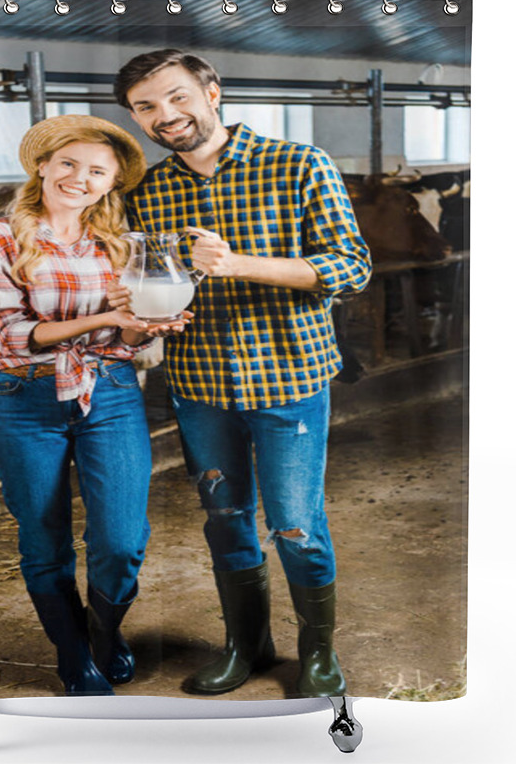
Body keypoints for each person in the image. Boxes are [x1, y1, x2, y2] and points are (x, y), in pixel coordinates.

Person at [109, 50, 372, 697]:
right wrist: (139, 310)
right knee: (225, 517)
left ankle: (318, 655)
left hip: (289, 376)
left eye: (176, 97)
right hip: (200, 383)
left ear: (213, 91)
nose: (164, 116)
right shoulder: (146, 191)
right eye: (145, 107)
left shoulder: (299, 164)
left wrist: (240, 263)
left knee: (295, 523)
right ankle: (246, 646)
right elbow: (149, 280)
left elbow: (351, 265)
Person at [0, 114, 189, 696]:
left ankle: (105, 633)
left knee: (121, 539)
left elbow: (127, 341)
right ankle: (73, 656)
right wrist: (109, 317)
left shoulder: (117, 245)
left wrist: (145, 325)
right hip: (22, 395)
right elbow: (7, 334)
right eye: (67, 163)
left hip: (108, 391)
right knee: (43, 537)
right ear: (42, 166)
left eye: (95, 171)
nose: (78, 178)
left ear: (111, 183)